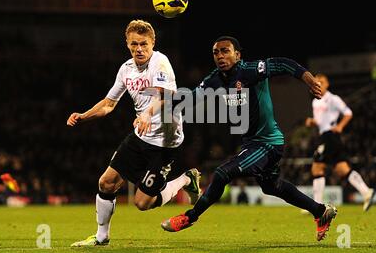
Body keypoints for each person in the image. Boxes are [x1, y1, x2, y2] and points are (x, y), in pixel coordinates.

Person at [144, 36, 337, 241]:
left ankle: (189, 217)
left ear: (237, 54)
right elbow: (190, 98)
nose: (220, 56)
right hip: (253, 143)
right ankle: (320, 212)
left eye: (225, 51)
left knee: (222, 173)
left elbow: (283, 63)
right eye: (216, 52)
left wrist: (309, 79)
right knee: (271, 186)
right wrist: (157, 108)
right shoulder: (215, 79)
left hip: (267, 143)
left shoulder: (251, 70)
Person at [67, 19, 201, 247]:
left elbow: (164, 96)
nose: (139, 49)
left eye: (144, 44)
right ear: (127, 44)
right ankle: (101, 237)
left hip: (164, 142)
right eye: (134, 44)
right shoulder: (126, 69)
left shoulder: (161, 62)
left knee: (142, 203)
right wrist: (84, 115)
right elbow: (109, 103)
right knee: (106, 183)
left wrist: (147, 114)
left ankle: (186, 179)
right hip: (140, 136)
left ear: (153, 43)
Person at [304, 74, 375, 211]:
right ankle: (366, 192)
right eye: (317, 82)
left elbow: (348, 112)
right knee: (342, 168)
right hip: (325, 136)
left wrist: (341, 126)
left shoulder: (333, 99)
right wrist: (312, 122)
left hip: (330, 136)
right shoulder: (315, 101)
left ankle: (315, 206)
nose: (319, 84)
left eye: (322, 82)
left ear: (327, 84)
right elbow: (320, 122)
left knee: (317, 168)